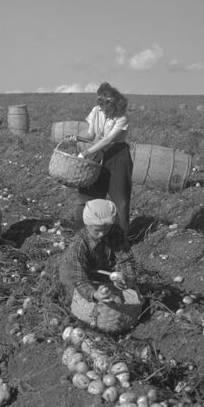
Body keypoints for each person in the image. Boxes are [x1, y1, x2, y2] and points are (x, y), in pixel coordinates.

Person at [66, 83, 132, 236]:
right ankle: (80, 234)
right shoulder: (97, 111)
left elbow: (107, 140)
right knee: (88, 194)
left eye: (108, 111)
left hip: (118, 156)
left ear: (117, 106)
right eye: (102, 109)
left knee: (120, 200)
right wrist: (77, 138)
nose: (104, 113)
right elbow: (91, 135)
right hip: (98, 153)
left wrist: (85, 153)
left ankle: (121, 237)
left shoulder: (122, 118)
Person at [59, 199, 137, 304]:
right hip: (74, 273)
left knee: (115, 296)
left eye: (106, 229)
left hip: (100, 269)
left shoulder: (116, 233)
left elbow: (125, 260)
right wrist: (94, 294)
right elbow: (80, 279)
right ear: (87, 224)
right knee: (79, 302)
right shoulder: (79, 244)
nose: (101, 234)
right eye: (97, 230)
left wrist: (126, 278)